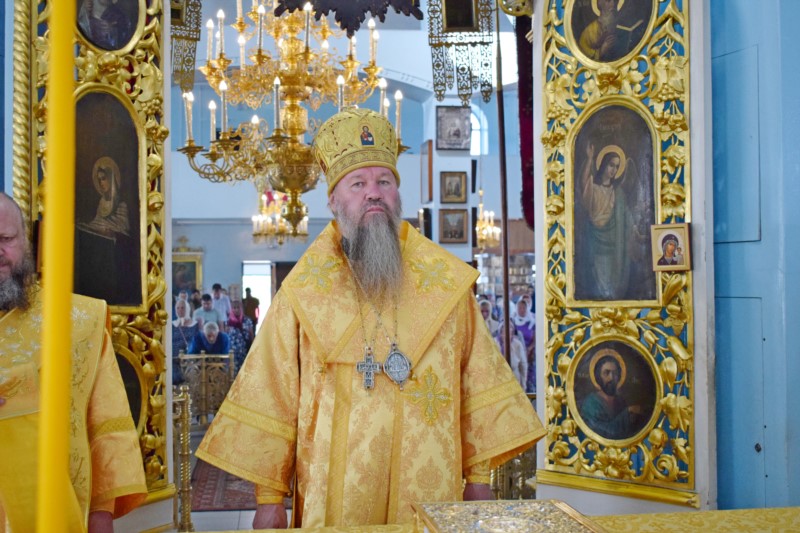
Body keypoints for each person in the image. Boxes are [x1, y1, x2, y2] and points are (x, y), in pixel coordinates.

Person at [197, 108, 544, 529]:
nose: (373, 194)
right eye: (358, 183)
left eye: (384, 182)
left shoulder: (447, 287)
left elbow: (477, 383)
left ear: (397, 195)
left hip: (428, 486)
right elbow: (273, 393)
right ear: (333, 201)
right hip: (336, 491)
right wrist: (269, 499)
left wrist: (479, 479)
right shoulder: (301, 295)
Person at [0, 193, 147, 532]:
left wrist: (101, 515)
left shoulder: (78, 321)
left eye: (5, 239)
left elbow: (107, 430)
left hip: (58, 513)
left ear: (26, 242)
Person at [578, 142, 636, 300]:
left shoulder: (618, 193)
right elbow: (584, 184)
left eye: (617, 167)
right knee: (599, 280)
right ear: (603, 165)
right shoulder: (594, 189)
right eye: (611, 165)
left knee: (612, 281)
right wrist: (590, 159)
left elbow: (626, 215)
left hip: (613, 244)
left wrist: (635, 230)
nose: (614, 170)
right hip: (596, 242)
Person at [579, 351, 641, 440]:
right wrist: (628, 412)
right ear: (598, 376)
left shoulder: (620, 401)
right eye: (606, 373)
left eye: (615, 373)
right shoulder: (590, 403)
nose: (611, 378)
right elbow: (604, 432)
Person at [77, 156, 130, 238]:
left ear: (111, 179)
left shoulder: (122, 206)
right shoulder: (101, 203)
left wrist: (109, 231)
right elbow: (96, 224)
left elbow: (123, 232)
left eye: (103, 178)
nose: (101, 183)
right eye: (99, 180)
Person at [172, 298, 199, 383]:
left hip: (189, 360)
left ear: (187, 309)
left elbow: (197, 341)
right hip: (174, 360)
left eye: (182, 308)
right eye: (178, 308)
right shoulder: (172, 324)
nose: (180, 310)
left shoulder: (195, 324)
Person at [227, 300, 254, 373]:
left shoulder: (247, 320)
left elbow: (251, 335)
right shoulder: (228, 321)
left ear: (241, 308)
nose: (236, 310)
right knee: (233, 371)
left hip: (243, 350)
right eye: (234, 308)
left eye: (238, 307)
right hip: (232, 351)